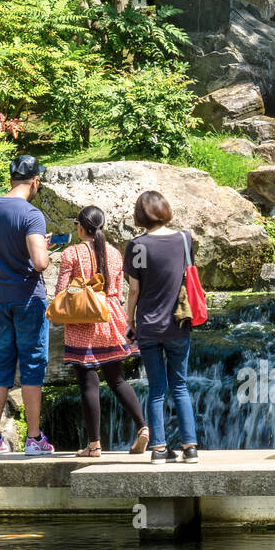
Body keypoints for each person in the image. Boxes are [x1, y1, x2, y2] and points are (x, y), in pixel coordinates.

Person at [54, 206, 150, 457]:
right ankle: (142, 428)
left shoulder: (71, 254)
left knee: (88, 382)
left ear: (79, 227)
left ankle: (94, 444)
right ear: (103, 226)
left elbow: (61, 292)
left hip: (82, 322)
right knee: (116, 378)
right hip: (110, 319)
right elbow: (117, 291)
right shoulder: (115, 254)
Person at [0, 154, 54, 456]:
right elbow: (39, 263)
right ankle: (34, 439)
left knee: (0, 367)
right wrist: (44, 247)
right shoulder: (31, 214)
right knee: (33, 366)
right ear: (35, 181)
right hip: (27, 298)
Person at [123, 190, 199, 465]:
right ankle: (190, 448)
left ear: (141, 215)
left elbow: (134, 289)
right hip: (179, 322)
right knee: (180, 385)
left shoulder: (137, 245)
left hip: (148, 326)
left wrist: (128, 320)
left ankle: (158, 449)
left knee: (156, 388)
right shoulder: (184, 239)